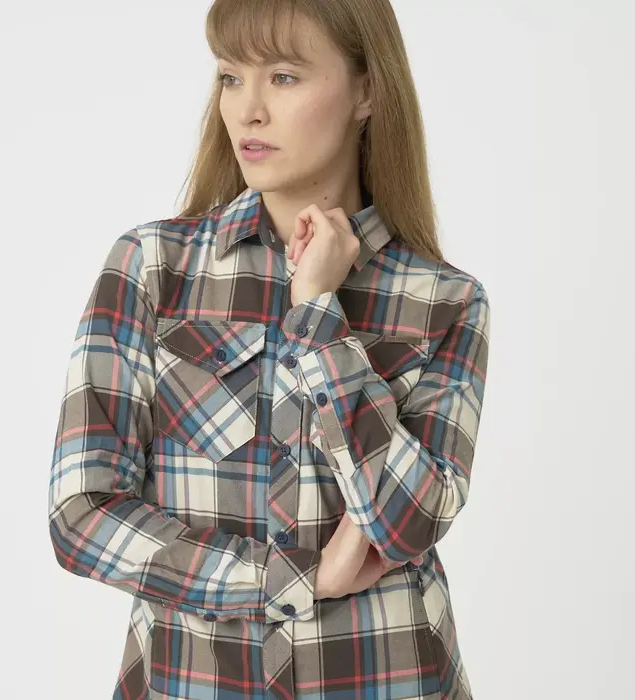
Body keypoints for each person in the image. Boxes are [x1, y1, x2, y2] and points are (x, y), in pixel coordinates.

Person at [47, 1, 491, 698]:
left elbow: (410, 521)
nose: (248, 110)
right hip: (191, 681)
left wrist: (317, 314)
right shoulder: (153, 268)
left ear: (367, 90)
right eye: (231, 77)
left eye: (283, 77)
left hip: (389, 678)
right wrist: (288, 580)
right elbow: (82, 513)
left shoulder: (445, 301)